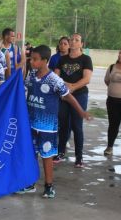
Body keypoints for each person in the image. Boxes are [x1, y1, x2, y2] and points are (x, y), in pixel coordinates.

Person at [19, 45, 91, 197]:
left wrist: (81, 112)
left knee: (47, 156)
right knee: (31, 154)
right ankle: (30, 183)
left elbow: (68, 96)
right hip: (31, 125)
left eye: (35, 59)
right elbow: (22, 91)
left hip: (47, 127)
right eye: (31, 58)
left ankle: (49, 186)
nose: (32, 61)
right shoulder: (31, 75)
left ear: (45, 61)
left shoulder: (54, 80)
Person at [54, 33, 93, 167]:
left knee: (77, 126)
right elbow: (56, 77)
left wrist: (73, 87)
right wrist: (66, 86)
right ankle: (60, 152)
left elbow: (87, 78)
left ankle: (79, 157)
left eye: (77, 40)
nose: (73, 42)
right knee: (63, 125)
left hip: (80, 95)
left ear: (81, 44)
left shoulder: (86, 59)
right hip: (64, 96)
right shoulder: (62, 59)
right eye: (72, 39)